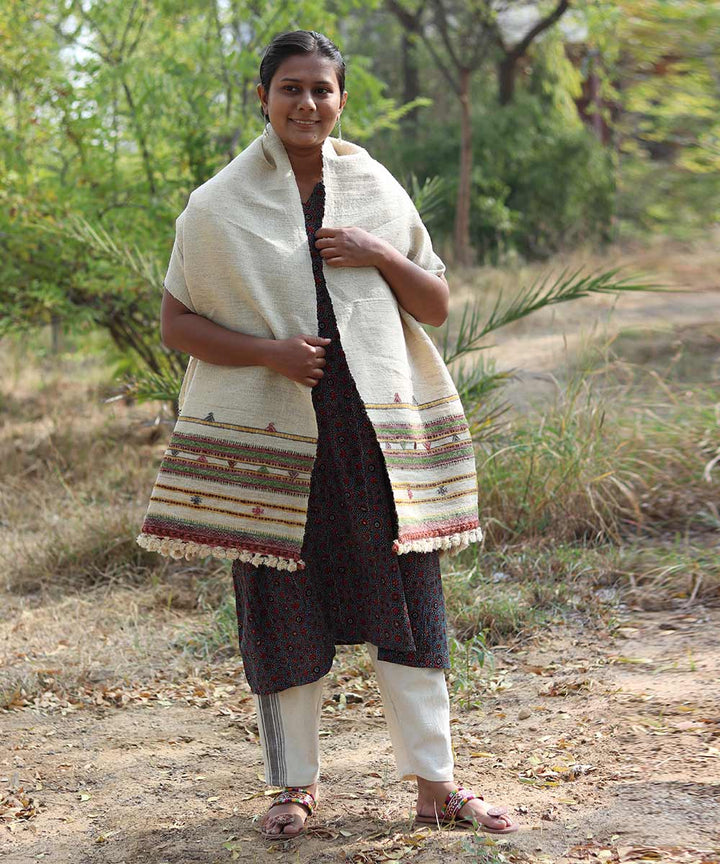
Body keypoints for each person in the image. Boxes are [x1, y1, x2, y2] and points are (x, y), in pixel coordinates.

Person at [139, 29, 518, 840]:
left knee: (411, 613)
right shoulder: (218, 205)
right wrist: (270, 354)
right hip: (280, 443)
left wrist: (378, 250)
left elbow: (436, 305)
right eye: (290, 89)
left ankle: (436, 785)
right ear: (263, 98)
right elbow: (177, 324)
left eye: (321, 89)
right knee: (282, 612)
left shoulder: (375, 187)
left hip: (376, 438)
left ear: (342, 98)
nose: (306, 103)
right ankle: (292, 790)